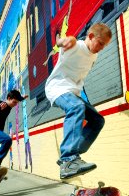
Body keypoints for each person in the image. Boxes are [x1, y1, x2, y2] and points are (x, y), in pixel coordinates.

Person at [45, 23, 112, 179]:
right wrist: (64, 41)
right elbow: (63, 42)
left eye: (105, 45)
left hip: (73, 93)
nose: (101, 48)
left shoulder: (94, 55)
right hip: (57, 89)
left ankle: (67, 159)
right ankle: (69, 159)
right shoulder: (76, 46)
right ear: (90, 36)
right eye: (100, 43)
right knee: (76, 108)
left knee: (97, 121)